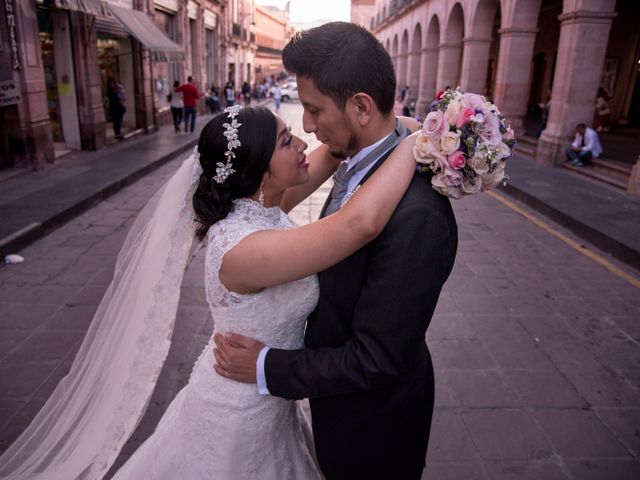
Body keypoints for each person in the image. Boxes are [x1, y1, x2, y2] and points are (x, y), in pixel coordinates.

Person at [0, 103, 420, 478]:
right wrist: (419, 144)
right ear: (258, 169)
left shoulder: (264, 208)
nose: (302, 142)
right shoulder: (242, 248)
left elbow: (333, 150)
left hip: (271, 404)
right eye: (286, 141)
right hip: (237, 417)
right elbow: (358, 224)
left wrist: (400, 124)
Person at [213, 22, 458, 479]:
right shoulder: (357, 163)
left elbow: (377, 358)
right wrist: (410, 134)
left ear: (361, 107)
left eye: (313, 109)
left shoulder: (415, 216)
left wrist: (268, 364)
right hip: (334, 414)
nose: (307, 126)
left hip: (375, 433)